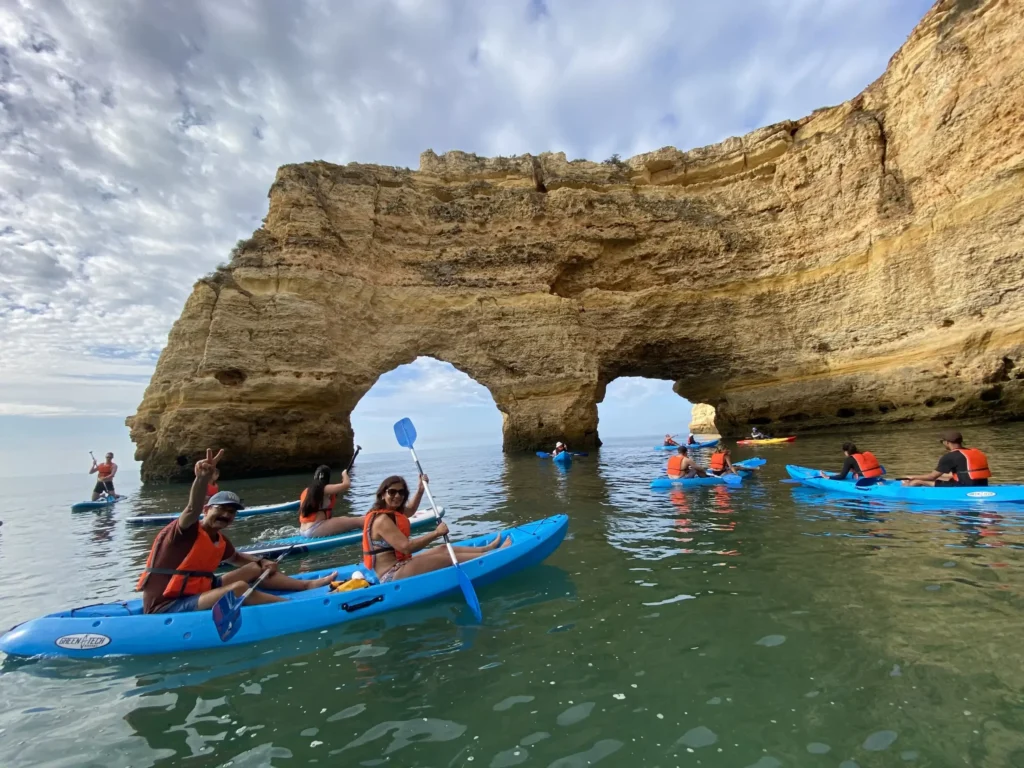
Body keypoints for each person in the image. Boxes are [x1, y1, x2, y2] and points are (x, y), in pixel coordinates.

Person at [137, 448, 336, 614]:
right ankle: (291, 607)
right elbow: (191, 509)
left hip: (198, 591)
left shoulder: (218, 539)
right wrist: (202, 479)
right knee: (239, 589)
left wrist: (263, 562)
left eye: (231, 512)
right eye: (221, 509)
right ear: (206, 510)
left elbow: (237, 558)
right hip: (166, 605)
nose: (226, 515)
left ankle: (306, 586)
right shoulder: (185, 531)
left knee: (256, 568)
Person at [362, 474, 509, 583]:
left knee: (443, 549)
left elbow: (411, 510)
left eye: (401, 493)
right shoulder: (382, 520)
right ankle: (494, 556)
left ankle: (487, 548)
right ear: (382, 494)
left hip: (401, 565)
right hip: (391, 574)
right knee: (446, 559)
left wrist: (420, 490)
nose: (397, 496)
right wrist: (436, 533)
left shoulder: (391, 513)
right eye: (392, 492)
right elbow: (406, 547)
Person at [903, 431, 991, 487]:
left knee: (917, 481)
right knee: (942, 477)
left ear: (947, 442)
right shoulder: (975, 452)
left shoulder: (950, 456)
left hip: (963, 487)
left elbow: (932, 476)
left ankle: (907, 490)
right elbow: (957, 474)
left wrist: (912, 477)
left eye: (942, 442)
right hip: (982, 484)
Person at [298, 464, 364, 538]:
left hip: (303, 530)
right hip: (316, 529)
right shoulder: (324, 488)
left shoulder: (306, 491)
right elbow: (346, 485)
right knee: (360, 521)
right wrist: (344, 474)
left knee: (344, 518)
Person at [820, 442, 884, 481]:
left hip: (866, 480)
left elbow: (842, 476)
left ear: (846, 451)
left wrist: (827, 477)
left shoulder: (849, 459)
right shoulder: (865, 454)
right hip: (877, 476)